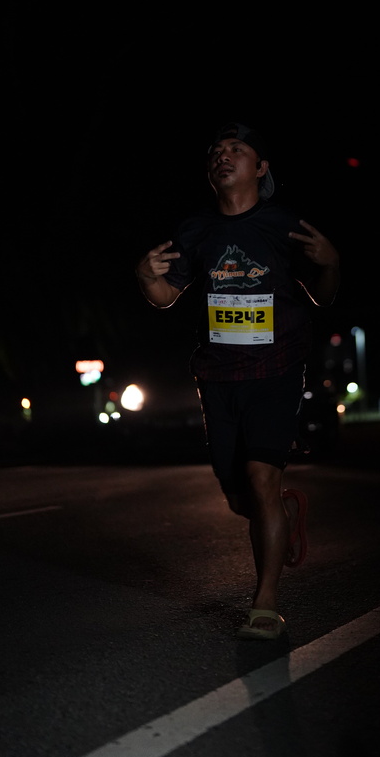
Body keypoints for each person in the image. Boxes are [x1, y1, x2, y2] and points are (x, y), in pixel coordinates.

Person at [135, 122, 340, 640]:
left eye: (236, 149)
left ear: (261, 168)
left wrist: (331, 265)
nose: (222, 155)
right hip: (217, 377)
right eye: (215, 151)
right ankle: (280, 516)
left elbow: (323, 296)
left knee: (261, 478)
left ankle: (265, 604)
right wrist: (145, 277)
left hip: (276, 372)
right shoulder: (196, 230)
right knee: (237, 495)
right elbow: (165, 298)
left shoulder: (284, 226)